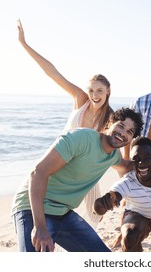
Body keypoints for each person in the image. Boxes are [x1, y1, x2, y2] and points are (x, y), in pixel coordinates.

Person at [17, 19, 113, 228]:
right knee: (38, 198)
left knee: (94, 215)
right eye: (92, 90)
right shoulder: (80, 100)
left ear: (108, 91)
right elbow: (52, 72)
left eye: (99, 90)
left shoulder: (110, 119)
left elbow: (116, 144)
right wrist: (24, 44)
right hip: (58, 158)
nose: (94, 95)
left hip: (82, 171)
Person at [11, 107, 143, 252]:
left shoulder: (113, 156)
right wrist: (40, 227)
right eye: (120, 125)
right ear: (110, 123)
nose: (122, 133)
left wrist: (147, 160)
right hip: (33, 208)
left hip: (63, 212)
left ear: (131, 139)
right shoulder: (81, 138)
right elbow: (38, 173)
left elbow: (126, 166)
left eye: (129, 132)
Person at [94, 137, 151, 251]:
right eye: (136, 159)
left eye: (147, 158)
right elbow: (106, 202)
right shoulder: (128, 182)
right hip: (138, 216)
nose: (141, 163)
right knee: (129, 237)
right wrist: (102, 205)